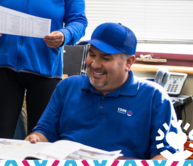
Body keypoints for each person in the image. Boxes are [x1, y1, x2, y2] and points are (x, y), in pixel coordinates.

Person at [24, 23, 178, 159]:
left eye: (106, 58)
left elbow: (166, 153)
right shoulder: (67, 86)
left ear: (129, 62)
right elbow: (45, 132)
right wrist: (36, 139)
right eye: (91, 54)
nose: (95, 64)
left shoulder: (154, 97)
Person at [0, 0, 88, 138]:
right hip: (5, 67)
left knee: (41, 140)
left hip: (46, 70)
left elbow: (79, 21)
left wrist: (65, 34)